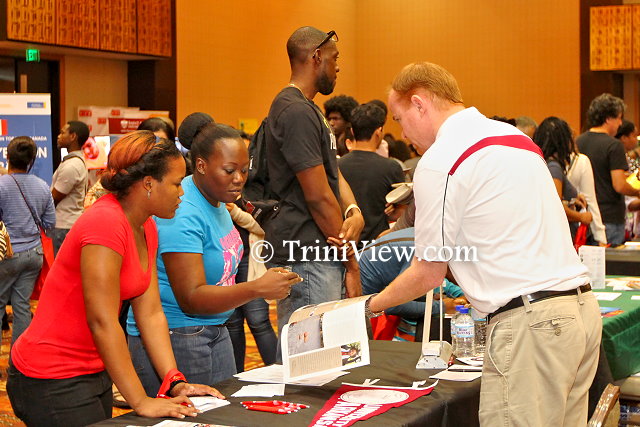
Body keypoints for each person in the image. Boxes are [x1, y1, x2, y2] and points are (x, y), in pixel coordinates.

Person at [368, 62, 600, 426]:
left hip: (531, 324)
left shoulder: (442, 158)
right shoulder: (516, 139)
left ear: (419, 104)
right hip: (581, 312)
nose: (403, 133)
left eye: (399, 119)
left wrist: (369, 306)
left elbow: (428, 273)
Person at [8, 131, 223, 426]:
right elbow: (102, 321)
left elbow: (150, 313)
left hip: (93, 369)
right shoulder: (106, 222)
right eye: (176, 184)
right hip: (51, 375)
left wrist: (174, 380)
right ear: (149, 184)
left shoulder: (146, 226)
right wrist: (140, 401)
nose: (181, 193)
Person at [127, 123, 301, 396]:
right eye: (229, 171)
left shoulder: (217, 198)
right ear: (201, 165)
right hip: (179, 334)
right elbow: (191, 298)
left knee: (221, 410)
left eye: (244, 170)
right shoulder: (182, 211)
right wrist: (256, 289)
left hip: (213, 327)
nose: (239, 179)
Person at [264, 27, 364, 342]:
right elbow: (318, 196)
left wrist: (353, 209)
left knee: (325, 353)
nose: (338, 67)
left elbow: (332, 173)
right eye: (335, 58)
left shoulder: (309, 109)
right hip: (308, 254)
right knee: (309, 357)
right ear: (317, 56)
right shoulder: (295, 111)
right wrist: (351, 262)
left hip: (320, 250)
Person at [0, 137, 55, 344]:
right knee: (22, 306)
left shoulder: (1, 185)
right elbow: (50, 223)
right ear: (32, 159)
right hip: (34, 254)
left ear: (7, 156)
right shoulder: (42, 186)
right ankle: (18, 359)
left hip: (6, 254)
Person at [577, 94, 640, 246]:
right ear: (607, 119)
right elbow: (619, 185)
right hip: (610, 217)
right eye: (618, 118)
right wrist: (637, 192)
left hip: (585, 215)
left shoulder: (578, 141)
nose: (620, 123)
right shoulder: (614, 145)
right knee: (610, 260)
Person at [338, 103, 405, 241]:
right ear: (379, 132)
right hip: (378, 245)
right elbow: (401, 211)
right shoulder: (391, 167)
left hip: (343, 242)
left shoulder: (337, 165)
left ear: (353, 132)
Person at [225, 202, 277, 373]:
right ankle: (234, 378)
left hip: (251, 261)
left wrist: (235, 212)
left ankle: (279, 371)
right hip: (226, 263)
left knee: (258, 321)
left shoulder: (249, 196)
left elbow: (265, 227)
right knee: (232, 324)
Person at [533, 117, 592, 238]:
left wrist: (571, 200)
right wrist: (581, 217)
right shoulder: (554, 167)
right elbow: (554, 206)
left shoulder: (543, 163)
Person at [51, 121, 89, 255]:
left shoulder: (72, 165)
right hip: (66, 224)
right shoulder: (72, 161)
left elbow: (54, 198)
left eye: (62, 133)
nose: (58, 136)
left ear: (73, 136)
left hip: (63, 226)